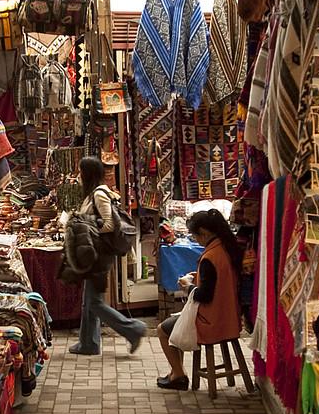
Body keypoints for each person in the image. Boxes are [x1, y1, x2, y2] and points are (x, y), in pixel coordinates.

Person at [157, 208, 245, 390]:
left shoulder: (210, 257)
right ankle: (175, 373)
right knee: (175, 324)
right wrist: (197, 276)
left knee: (163, 329)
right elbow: (221, 280)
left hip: (211, 321)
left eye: (196, 236)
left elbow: (204, 295)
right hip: (231, 317)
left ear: (204, 233)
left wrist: (187, 286)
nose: (196, 240)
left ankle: (179, 374)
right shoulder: (228, 248)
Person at [69, 156, 145, 356]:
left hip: (99, 254)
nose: (78, 175)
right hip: (93, 252)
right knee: (89, 300)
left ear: (88, 174)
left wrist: (83, 226)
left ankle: (132, 328)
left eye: (80, 171)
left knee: (94, 302)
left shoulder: (99, 194)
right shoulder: (91, 195)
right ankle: (88, 343)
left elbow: (110, 224)